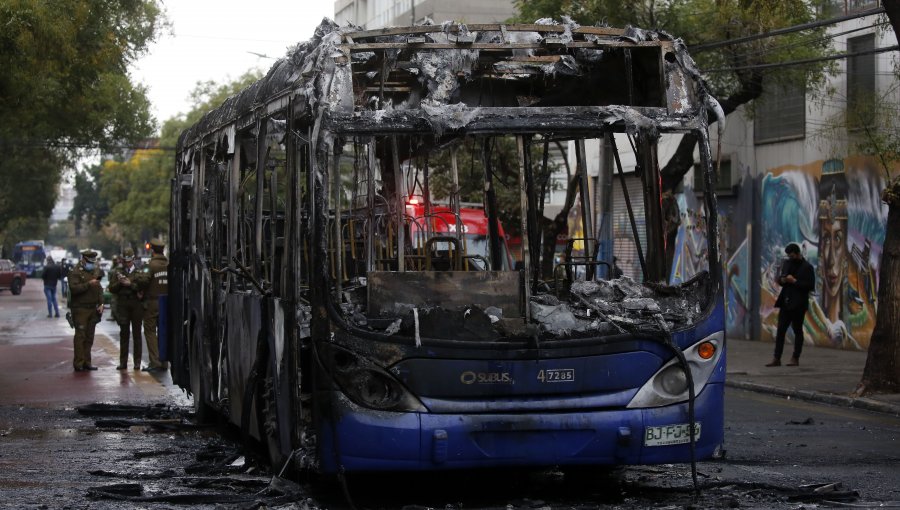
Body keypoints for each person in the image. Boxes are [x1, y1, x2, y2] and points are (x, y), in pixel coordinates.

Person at [767, 243, 815, 367]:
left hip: (799, 304)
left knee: (797, 330)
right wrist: (782, 280)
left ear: (798, 253)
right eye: (788, 256)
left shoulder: (807, 267)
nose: (790, 257)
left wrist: (795, 281)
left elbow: (810, 286)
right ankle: (776, 358)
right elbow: (780, 278)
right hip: (786, 302)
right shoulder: (787, 263)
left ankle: (795, 357)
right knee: (781, 330)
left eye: (792, 255)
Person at [68, 250, 105, 371]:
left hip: (92, 309)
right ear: (83, 259)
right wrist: (88, 284)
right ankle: (78, 363)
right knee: (80, 336)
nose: (92, 264)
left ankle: (87, 362)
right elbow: (74, 289)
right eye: (89, 262)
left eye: (93, 262)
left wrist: (101, 303)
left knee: (89, 337)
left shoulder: (94, 271)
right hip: (80, 309)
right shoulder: (75, 272)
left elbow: (99, 288)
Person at [136, 238, 168, 372]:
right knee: (163, 331)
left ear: (152, 251)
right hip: (166, 302)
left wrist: (137, 277)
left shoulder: (151, 265)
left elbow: (144, 281)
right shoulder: (168, 264)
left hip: (153, 302)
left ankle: (155, 362)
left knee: (150, 331)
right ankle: (164, 361)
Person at [108, 248, 143, 370]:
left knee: (137, 334)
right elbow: (111, 288)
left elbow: (143, 287)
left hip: (136, 304)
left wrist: (130, 285)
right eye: (124, 261)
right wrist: (120, 282)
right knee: (124, 333)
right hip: (122, 304)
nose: (126, 263)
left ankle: (137, 362)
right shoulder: (117, 271)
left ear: (133, 259)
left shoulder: (140, 271)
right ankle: (123, 362)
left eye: (128, 261)